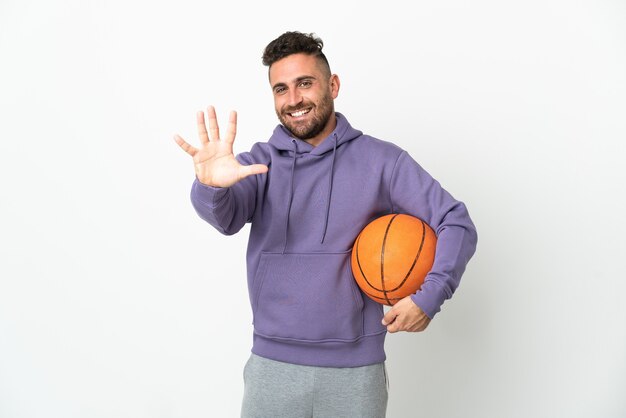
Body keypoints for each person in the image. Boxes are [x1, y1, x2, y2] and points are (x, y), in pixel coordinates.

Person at [174, 31, 477, 418]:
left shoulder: (383, 161)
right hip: (272, 367)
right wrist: (209, 185)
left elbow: (456, 221)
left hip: (354, 372)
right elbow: (226, 217)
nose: (294, 99)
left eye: (305, 83)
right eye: (281, 89)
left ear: (332, 85)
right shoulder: (260, 163)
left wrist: (429, 296)